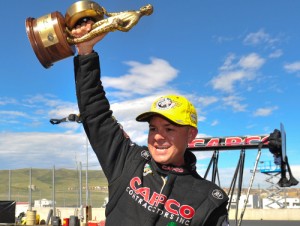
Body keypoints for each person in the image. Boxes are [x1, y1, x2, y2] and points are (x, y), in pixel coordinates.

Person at [71, 21, 229, 226]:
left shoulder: (208, 198)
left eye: (169, 129)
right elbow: (95, 114)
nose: (157, 136)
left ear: (190, 135)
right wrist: (85, 52)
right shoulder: (129, 161)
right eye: (153, 128)